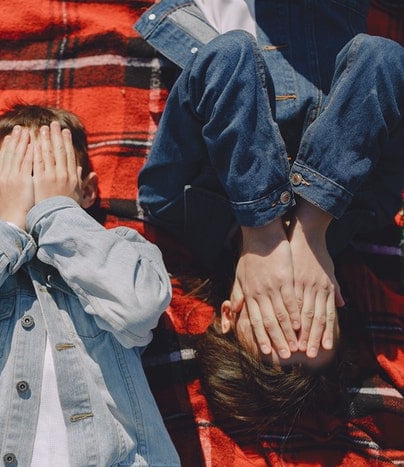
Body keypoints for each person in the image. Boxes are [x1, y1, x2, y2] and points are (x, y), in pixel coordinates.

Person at [0, 104, 180, 466]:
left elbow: (140, 308)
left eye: (49, 175)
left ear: (86, 191)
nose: (33, 190)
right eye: (20, 176)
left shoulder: (120, 248)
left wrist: (57, 211)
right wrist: (9, 224)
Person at [134, 0, 404, 365]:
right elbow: (382, 58)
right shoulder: (367, 212)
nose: (296, 301)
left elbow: (230, 54)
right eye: (316, 318)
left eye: (277, 322)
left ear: (230, 313)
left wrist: (261, 228)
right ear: (336, 297)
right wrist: (313, 223)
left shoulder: (173, 206)